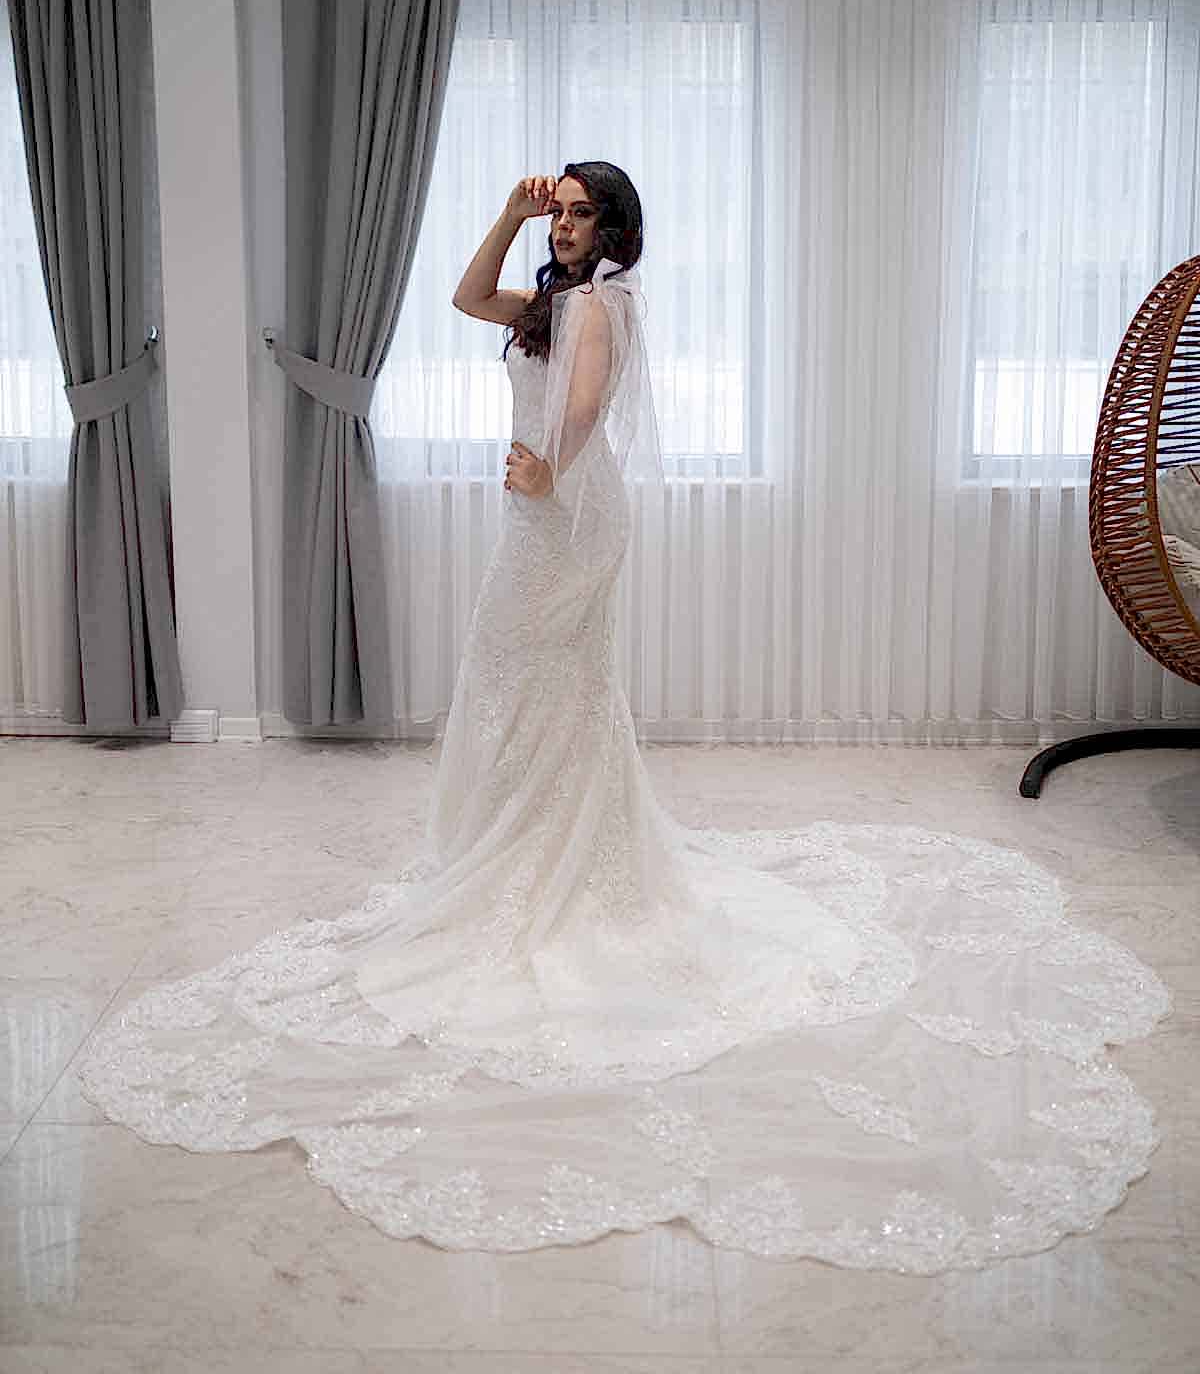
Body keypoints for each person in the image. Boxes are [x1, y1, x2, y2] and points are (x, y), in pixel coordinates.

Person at [78, 161, 1172, 1270]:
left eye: (577, 213)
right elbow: (465, 297)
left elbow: (587, 404)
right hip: (546, 503)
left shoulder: (600, 305)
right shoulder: (553, 298)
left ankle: (545, 858)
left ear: (613, 227)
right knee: (525, 685)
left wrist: (547, 472)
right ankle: (530, 842)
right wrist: (506, 215)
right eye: (555, 213)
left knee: (522, 674)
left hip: (565, 506)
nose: (562, 228)